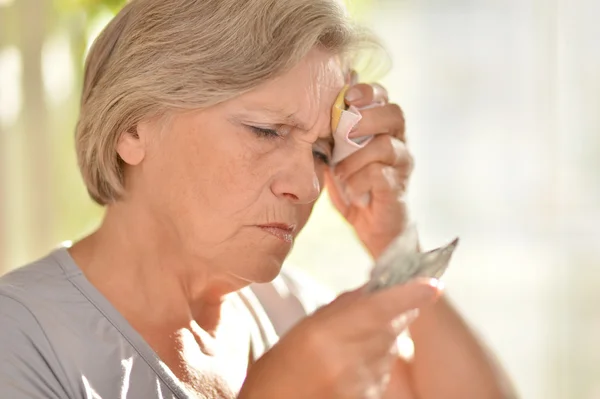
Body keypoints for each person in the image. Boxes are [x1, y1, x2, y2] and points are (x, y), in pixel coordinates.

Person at [0, 0, 517, 398]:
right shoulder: (21, 339)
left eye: (320, 150)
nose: (309, 185)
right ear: (134, 127)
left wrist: (391, 240)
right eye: (266, 131)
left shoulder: (295, 312)